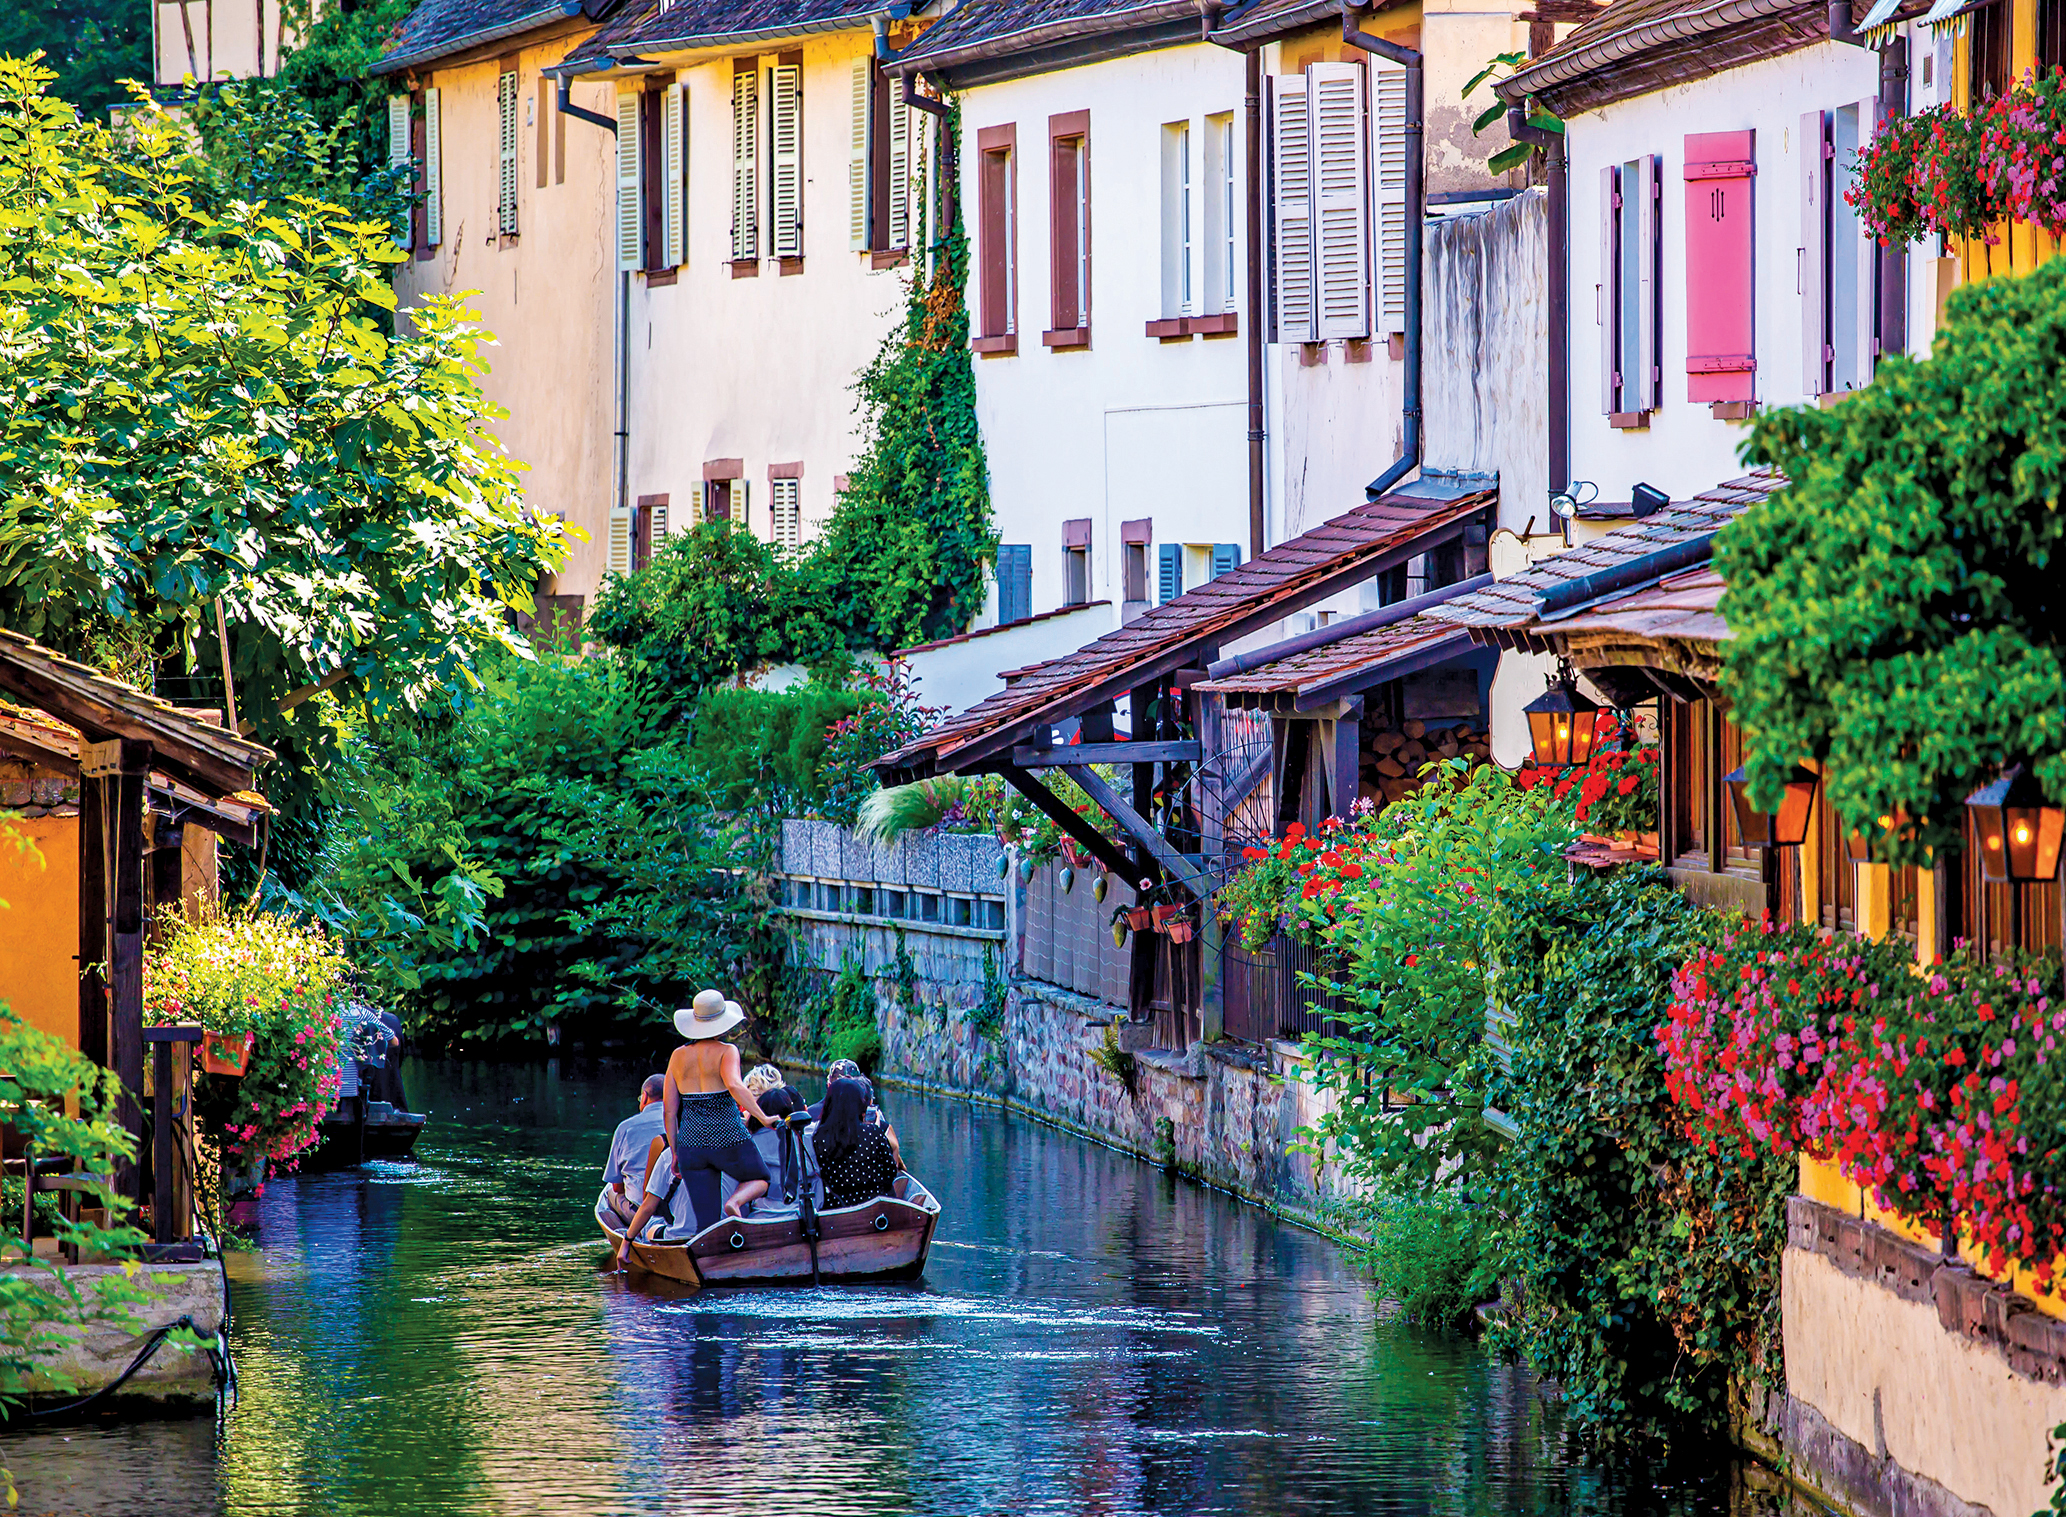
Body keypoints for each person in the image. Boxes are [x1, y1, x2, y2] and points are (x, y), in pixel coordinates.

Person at [660, 990, 776, 1232]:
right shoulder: (726, 1051)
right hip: (728, 1137)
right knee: (760, 1178)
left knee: (707, 1224)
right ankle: (734, 1203)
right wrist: (763, 1117)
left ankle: (711, 1264)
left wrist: (674, 1152)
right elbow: (734, 1085)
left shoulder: (677, 1056)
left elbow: (669, 1112)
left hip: (691, 1144)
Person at [812, 1078, 903, 1210]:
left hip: (838, 1209)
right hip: (876, 1205)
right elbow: (890, 1172)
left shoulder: (819, 1138)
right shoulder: (873, 1133)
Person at [602, 1074, 668, 1225]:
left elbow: (617, 1187)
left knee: (608, 1193)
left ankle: (625, 1233)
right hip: (676, 1208)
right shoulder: (684, 1125)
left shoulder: (626, 1127)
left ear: (644, 1097)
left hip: (640, 1210)